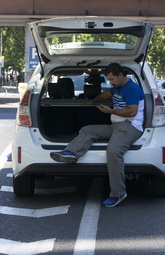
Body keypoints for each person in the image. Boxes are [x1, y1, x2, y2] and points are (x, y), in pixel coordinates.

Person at [50, 63, 144, 207]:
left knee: (113, 152)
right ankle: (72, 153)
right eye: (109, 80)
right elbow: (107, 94)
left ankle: (118, 193)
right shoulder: (117, 88)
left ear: (120, 75)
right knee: (88, 130)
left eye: (112, 79)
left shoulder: (131, 89)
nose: (111, 82)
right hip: (116, 126)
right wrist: (92, 101)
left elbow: (132, 112)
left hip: (130, 127)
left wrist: (110, 111)